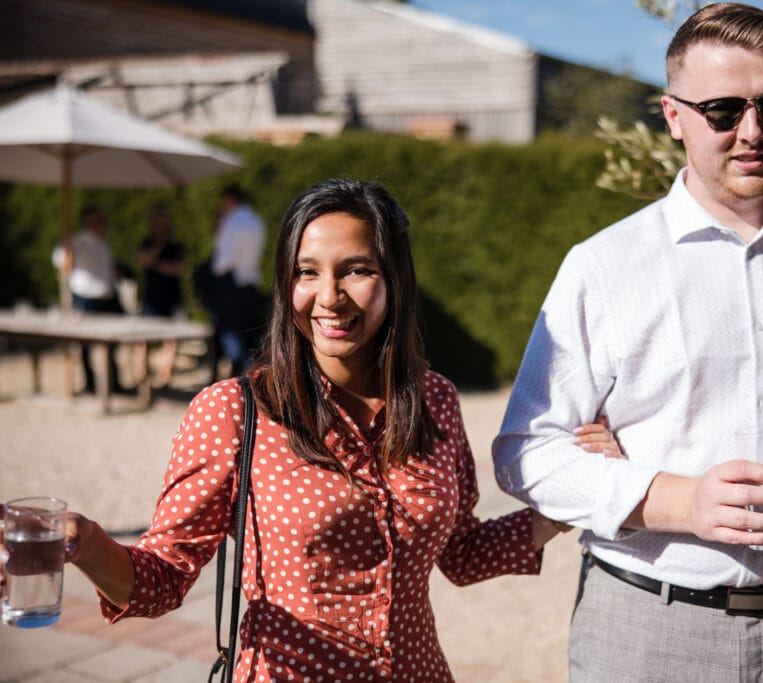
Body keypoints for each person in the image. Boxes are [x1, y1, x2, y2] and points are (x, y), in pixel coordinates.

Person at [2, 178, 620, 681]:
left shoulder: (434, 399)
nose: (330, 297)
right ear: (285, 283)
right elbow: (161, 581)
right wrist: (83, 541)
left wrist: (573, 498)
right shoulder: (234, 411)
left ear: (395, 278)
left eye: (356, 270)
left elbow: (458, 555)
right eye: (307, 272)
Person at [492, 4, 763, 682]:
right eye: (724, 110)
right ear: (674, 116)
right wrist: (676, 499)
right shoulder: (603, 265)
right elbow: (526, 451)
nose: (754, 132)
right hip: (642, 634)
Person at [51, 205, 130, 394]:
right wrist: (65, 246)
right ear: (89, 222)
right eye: (99, 220)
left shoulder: (103, 243)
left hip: (107, 297)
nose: (103, 224)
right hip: (86, 298)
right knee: (85, 345)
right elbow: (60, 261)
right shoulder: (77, 242)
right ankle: (91, 383)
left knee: (113, 341)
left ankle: (113, 382)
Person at [208, 182, 267, 377]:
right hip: (250, 283)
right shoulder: (257, 221)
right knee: (248, 335)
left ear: (230, 200)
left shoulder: (232, 221)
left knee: (231, 334)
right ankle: (251, 377)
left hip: (231, 284)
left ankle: (242, 380)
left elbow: (224, 260)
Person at [134, 204, 185, 387]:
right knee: (142, 340)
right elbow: (143, 262)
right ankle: (142, 377)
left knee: (170, 340)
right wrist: (158, 248)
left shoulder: (175, 246)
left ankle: (165, 378)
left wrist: (155, 265)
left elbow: (178, 269)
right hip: (151, 298)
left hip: (170, 298)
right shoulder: (147, 243)